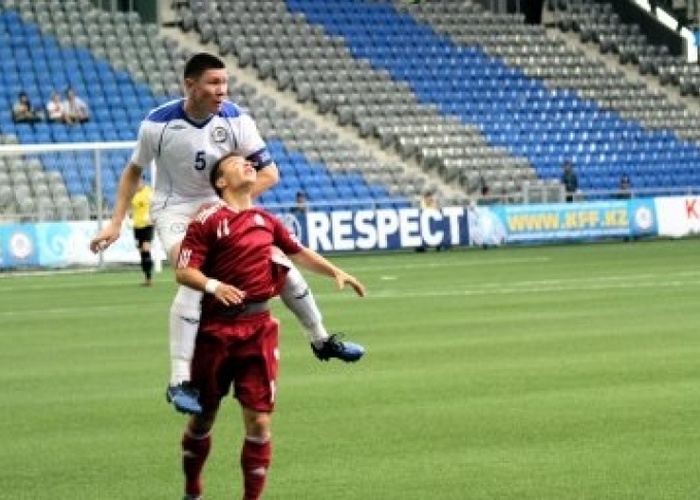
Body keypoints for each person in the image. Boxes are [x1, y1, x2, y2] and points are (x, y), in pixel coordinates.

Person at [89, 52, 364, 417]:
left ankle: (321, 340)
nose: (222, 90)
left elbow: (269, 174)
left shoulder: (236, 119)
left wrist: (228, 208)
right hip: (175, 211)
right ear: (190, 85)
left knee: (279, 265)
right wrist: (115, 221)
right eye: (214, 83)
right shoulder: (157, 124)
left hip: (222, 205)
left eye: (225, 82)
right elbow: (133, 172)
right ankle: (179, 381)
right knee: (192, 276)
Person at [175, 153, 366, 500]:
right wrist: (214, 286)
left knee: (260, 423)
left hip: (259, 329)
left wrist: (335, 271)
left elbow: (298, 252)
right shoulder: (207, 220)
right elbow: (184, 271)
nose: (248, 164)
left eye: (250, 162)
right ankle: (193, 490)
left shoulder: (266, 220)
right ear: (221, 182)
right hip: (215, 331)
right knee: (203, 418)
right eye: (237, 163)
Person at [130, 177, 155, 286]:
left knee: (146, 249)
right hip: (137, 226)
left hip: (148, 225)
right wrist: (128, 218)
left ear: (143, 181)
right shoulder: (132, 193)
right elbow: (130, 207)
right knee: (141, 252)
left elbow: (156, 205)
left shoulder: (149, 192)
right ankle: (146, 277)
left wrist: (151, 216)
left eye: (139, 181)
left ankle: (149, 278)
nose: (137, 184)